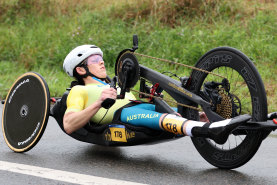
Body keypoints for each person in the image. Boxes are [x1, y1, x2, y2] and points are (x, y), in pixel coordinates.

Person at [63, 45, 251, 144]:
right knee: (158, 116)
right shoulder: (80, 90)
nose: (102, 62)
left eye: (101, 58)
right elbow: (69, 124)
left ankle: (252, 123)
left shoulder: (115, 84)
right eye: (95, 60)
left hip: (140, 108)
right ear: (80, 70)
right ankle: (210, 132)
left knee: (186, 112)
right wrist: (99, 102)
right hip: (123, 116)